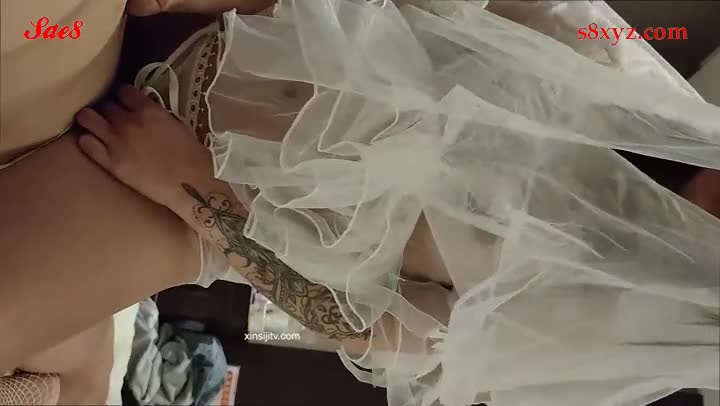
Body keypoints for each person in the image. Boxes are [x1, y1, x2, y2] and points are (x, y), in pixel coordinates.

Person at [75, 1, 719, 405]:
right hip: (228, 31)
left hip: (184, 211)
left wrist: (191, 190)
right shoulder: (616, 67)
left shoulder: (594, 327)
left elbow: (369, 329)